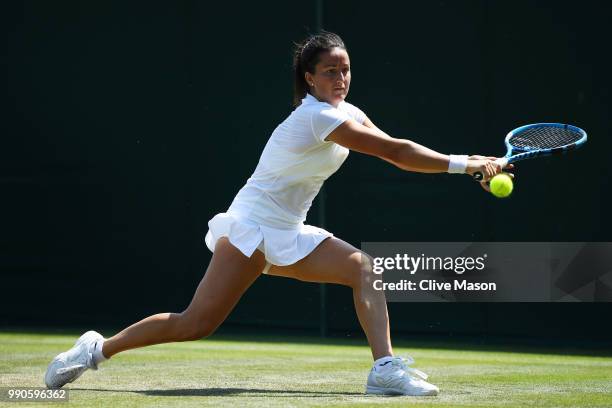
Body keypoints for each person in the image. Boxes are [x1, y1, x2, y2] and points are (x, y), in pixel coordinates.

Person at [44, 31, 507, 396]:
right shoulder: (316, 118)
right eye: (330, 72)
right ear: (309, 77)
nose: (340, 79)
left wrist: (473, 164)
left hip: (288, 229)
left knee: (364, 270)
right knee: (196, 323)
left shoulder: (347, 111)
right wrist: (466, 164)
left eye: (345, 70)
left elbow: (402, 149)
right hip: (252, 224)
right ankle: (96, 349)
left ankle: (384, 369)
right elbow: (397, 154)